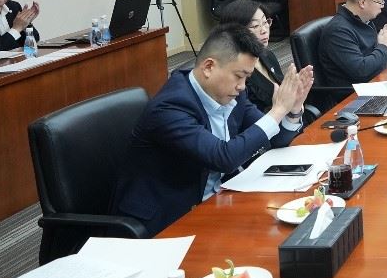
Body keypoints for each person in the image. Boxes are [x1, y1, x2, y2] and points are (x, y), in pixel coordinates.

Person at [112, 23, 314, 236]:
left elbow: (274, 139)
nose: (242, 86)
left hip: (218, 201)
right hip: (168, 221)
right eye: (239, 76)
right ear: (209, 67)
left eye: (246, 77)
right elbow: (222, 158)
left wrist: (292, 110)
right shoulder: (170, 107)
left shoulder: (232, 93)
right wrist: (278, 110)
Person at [217, 0, 286, 111]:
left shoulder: (267, 55)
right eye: (255, 26)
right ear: (235, 32)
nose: (264, 30)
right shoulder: (236, 74)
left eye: (265, 22)